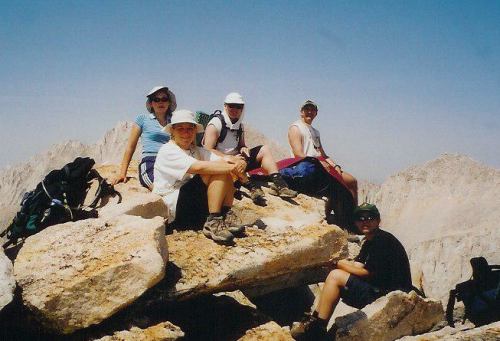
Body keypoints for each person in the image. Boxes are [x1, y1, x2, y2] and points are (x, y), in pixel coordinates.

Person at [291, 203, 413, 340]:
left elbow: (367, 273)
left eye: (370, 217)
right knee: (335, 274)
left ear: (378, 221)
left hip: (392, 296)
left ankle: (317, 328)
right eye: (360, 218)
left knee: (335, 276)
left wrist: (338, 264)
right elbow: (358, 265)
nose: (365, 221)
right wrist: (338, 264)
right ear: (355, 222)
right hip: (380, 291)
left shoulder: (382, 241)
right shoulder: (370, 242)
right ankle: (315, 322)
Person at [153, 109, 245, 244]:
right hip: (174, 209)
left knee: (222, 169)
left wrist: (238, 162)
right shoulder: (168, 150)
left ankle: (224, 213)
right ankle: (213, 219)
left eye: (190, 129)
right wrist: (233, 168)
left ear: (195, 131)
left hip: (192, 204)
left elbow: (222, 160)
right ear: (172, 131)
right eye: (180, 129)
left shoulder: (195, 150)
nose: (186, 133)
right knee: (216, 170)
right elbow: (199, 167)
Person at [203, 92, 297, 202]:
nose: (235, 109)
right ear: (225, 106)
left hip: (238, 159)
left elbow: (241, 145)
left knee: (264, 149)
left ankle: (279, 184)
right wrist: (229, 158)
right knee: (236, 162)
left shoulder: (239, 125)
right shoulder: (215, 124)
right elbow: (207, 149)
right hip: (221, 162)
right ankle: (251, 187)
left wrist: (244, 149)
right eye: (231, 105)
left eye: (238, 106)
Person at [288, 100, 358, 204]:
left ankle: (354, 214)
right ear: (301, 112)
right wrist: (318, 163)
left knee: (352, 181)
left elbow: (323, 154)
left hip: (321, 164)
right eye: (307, 109)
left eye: (313, 110)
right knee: (336, 186)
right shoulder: (296, 128)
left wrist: (335, 166)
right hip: (307, 166)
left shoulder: (316, 132)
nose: (310, 112)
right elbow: (298, 154)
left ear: (316, 113)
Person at [112, 85, 176, 190]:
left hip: (170, 160)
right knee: (160, 189)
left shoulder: (174, 122)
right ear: (151, 103)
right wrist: (122, 173)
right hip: (150, 161)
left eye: (164, 99)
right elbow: (130, 147)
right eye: (156, 99)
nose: (161, 102)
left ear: (169, 102)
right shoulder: (143, 119)